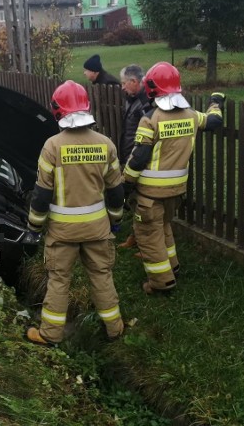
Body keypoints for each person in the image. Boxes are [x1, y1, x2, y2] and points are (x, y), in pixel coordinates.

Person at [25, 80, 126, 346]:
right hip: (97, 228)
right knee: (102, 276)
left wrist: (34, 228)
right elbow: (116, 192)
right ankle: (115, 329)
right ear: (86, 108)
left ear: (58, 111)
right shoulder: (106, 145)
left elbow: (41, 194)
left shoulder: (52, 146)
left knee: (59, 280)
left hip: (62, 232)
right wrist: (116, 220)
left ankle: (50, 334)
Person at [123, 61, 224, 294]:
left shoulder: (150, 118)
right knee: (164, 226)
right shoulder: (191, 115)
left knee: (148, 234)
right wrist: (216, 102)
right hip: (177, 190)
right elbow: (214, 121)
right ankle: (172, 267)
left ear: (151, 88)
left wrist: (126, 183)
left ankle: (161, 283)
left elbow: (138, 158)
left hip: (150, 193)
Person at [117, 64, 151, 251]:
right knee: (133, 200)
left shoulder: (145, 103)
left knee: (139, 201)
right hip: (128, 154)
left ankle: (142, 241)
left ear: (134, 82)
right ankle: (136, 236)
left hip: (137, 157)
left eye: (124, 83)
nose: (121, 87)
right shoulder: (132, 98)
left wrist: (135, 157)